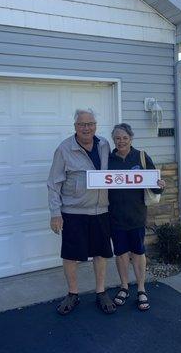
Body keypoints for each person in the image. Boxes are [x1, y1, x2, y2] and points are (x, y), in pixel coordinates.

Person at [47, 109, 116, 315]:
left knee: (101, 253)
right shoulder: (64, 149)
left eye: (90, 124)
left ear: (95, 125)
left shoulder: (104, 144)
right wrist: (55, 212)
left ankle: (101, 292)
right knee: (70, 255)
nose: (86, 128)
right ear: (75, 126)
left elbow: (114, 174)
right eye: (82, 124)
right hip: (73, 212)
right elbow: (53, 183)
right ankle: (73, 294)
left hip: (100, 211)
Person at [108, 123, 165, 311]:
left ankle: (141, 288)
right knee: (121, 253)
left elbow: (154, 185)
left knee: (138, 253)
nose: (121, 141)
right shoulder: (108, 160)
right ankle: (124, 286)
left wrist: (160, 185)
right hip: (115, 217)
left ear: (131, 138)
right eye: (117, 138)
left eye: (124, 137)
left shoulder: (141, 156)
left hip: (137, 215)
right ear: (113, 140)